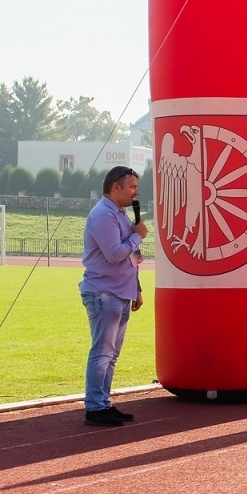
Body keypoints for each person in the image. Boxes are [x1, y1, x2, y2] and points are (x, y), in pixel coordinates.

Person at [79, 166, 148, 427]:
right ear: (116, 187)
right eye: (132, 187)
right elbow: (115, 254)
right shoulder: (103, 216)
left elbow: (131, 257)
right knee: (102, 352)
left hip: (120, 292)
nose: (136, 192)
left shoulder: (119, 214)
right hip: (104, 293)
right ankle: (95, 407)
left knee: (111, 354)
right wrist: (137, 237)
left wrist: (136, 288)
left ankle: (103, 403)